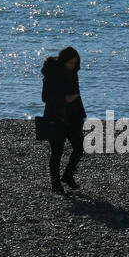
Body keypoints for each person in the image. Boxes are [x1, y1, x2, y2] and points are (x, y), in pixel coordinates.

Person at [42, 48, 87, 193]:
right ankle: (55, 184)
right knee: (57, 152)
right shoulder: (51, 73)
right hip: (55, 117)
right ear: (63, 61)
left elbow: (77, 95)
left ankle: (68, 175)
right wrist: (64, 99)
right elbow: (45, 97)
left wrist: (82, 114)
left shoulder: (74, 73)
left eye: (75, 63)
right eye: (70, 63)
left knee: (79, 148)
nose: (72, 65)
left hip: (73, 117)